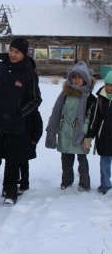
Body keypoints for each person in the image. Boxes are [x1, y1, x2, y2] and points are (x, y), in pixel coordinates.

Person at [0, 37, 42, 205]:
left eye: (17, 52)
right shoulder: (0, 67)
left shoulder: (29, 73)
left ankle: (10, 192)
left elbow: (35, 99)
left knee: (12, 160)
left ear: (24, 54)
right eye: (11, 50)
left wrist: (20, 113)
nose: (13, 54)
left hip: (15, 125)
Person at [45, 61, 96, 192]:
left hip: (80, 132)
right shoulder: (65, 94)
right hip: (65, 131)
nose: (77, 80)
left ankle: (84, 183)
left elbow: (90, 118)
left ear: (85, 79)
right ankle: (67, 181)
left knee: (82, 160)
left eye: (80, 77)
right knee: (66, 159)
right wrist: (54, 127)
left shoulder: (89, 97)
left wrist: (83, 132)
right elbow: (57, 111)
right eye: (74, 77)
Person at [83, 70, 112, 194]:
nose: (108, 87)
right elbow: (95, 119)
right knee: (104, 165)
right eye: (107, 84)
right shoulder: (100, 98)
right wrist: (89, 136)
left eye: (111, 85)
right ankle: (105, 186)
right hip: (104, 138)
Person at [2, 109, 43, 196]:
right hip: (16, 139)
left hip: (26, 140)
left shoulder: (32, 111)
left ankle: (24, 183)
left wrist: (34, 138)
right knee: (13, 162)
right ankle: (11, 185)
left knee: (23, 162)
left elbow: (38, 125)